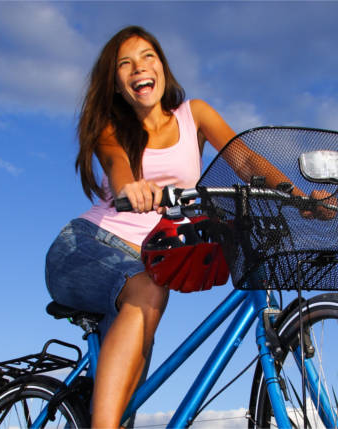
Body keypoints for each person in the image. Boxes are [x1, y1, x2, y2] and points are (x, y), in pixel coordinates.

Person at [44, 25, 241, 428]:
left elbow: (246, 158)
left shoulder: (195, 115)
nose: (139, 68)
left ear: (163, 67)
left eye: (147, 56)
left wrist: (298, 195)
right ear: (116, 84)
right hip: (86, 247)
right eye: (125, 63)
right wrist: (131, 189)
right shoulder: (110, 128)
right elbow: (119, 169)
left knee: (125, 403)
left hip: (147, 264)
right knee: (149, 288)